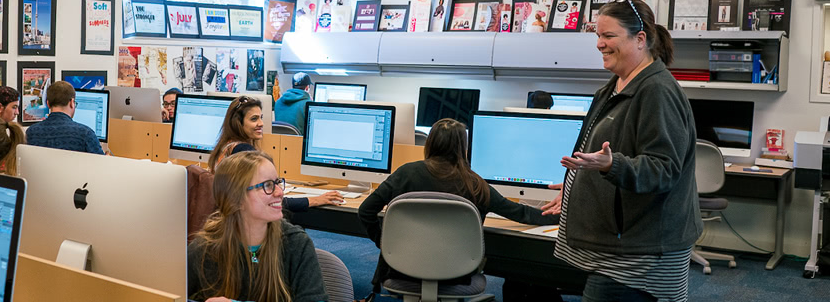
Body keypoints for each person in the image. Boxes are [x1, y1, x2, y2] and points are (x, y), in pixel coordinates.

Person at [541, 0, 699, 302]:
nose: (600, 44)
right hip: (620, 246)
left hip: (641, 255)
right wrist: (575, 187)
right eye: (597, 36)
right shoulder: (615, 86)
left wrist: (610, 166)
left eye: (609, 36)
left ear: (640, 39)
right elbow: (595, 156)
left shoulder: (657, 92)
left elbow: (663, 169)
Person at [357, 118, 560, 301]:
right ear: (463, 147)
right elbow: (521, 213)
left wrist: (387, 245)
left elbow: (366, 210)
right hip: (457, 275)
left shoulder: (406, 173)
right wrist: (562, 216)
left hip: (401, 269)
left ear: (430, 143)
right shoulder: (475, 184)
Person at [187, 151, 329, 302]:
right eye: (268, 185)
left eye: (277, 183)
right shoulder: (206, 247)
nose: (280, 192)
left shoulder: (295, 244)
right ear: (236, 198)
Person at [209, 96, 344, 211]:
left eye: (261, 118)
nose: (261, 123)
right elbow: (270, 200)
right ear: (238, 123)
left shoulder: (226, 147)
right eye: (254, 119)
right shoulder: (244, 153)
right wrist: (314, 200)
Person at [26, 81, 104, 155]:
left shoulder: (31, 132)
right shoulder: (85, 134)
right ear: (71, 103)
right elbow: (101, 164)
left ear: (48, 104)